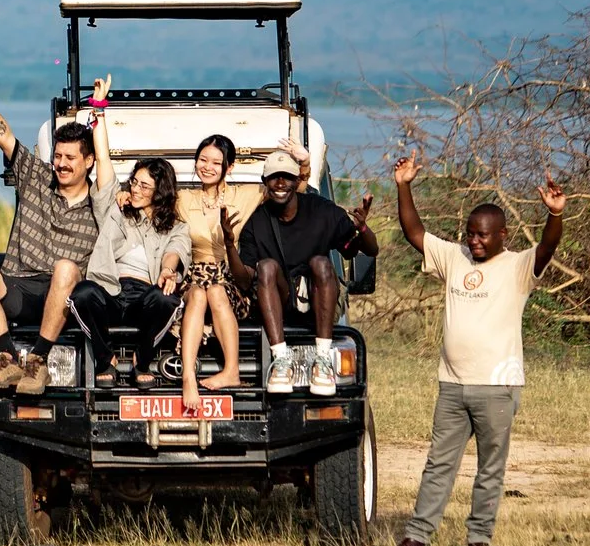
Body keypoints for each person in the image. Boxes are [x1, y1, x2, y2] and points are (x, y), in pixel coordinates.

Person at [385, 157, 567, 546]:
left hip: (496, 385)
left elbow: (549, 245)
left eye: (483, 236)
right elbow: (415, 232)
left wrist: (554, 215)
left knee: (489, 469)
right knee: (438, 465)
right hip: (452, 384)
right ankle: (417, 540)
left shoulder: (519, 266)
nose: (475, 242)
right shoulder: (455, 258)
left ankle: (478, 541)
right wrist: (403, 186)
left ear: (503, 235)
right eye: (470, 234)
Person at [0, 52, 98, 396]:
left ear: (89, 161)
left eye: (70, 158)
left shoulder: (102, 203)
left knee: (66, 269)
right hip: (19, 285)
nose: (61, 164)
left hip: (64, 296)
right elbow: (3, 135)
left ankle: (37, 361)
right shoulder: (37, 176)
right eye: (58, 156)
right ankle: (6, 357)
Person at [232, 150, 377, 395]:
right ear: (264, 182)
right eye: (274, 177)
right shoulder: (256, 221)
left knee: (321, 262)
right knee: (266, 266)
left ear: (298, 181)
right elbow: (245, 281)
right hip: (280, 300)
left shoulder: (322, 210)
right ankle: (280, 361)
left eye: (286, 177)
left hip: (318, 298)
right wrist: (228, 244)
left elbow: (366, 250)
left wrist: (362, 228)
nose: (280, 183)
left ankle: (322, 362)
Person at [68, 94, 189, 384]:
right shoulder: (116, 206)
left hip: (144, 295)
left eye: (143, 186)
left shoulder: (176, 226)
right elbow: (105, 162)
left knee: (165, 299)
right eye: (134, 181)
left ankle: (142, 360)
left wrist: (168, 270)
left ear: (160, 192)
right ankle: (104, 358)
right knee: (82, 293)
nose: (135, 189)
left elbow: (176, 250)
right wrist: (99, 111)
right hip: (110, 287)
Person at [175, 134, 266, 409]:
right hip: (193, 275)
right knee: (200, 295)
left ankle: (232, 371)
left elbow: (289, 188)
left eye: (216, 162)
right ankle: (188, 377)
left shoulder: (247, 195)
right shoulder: (182, 198)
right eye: (203, 160)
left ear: (229, 167)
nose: (208, 167)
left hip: (230, 276)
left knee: (214, 292)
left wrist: (305, 163)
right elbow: (147, 197)